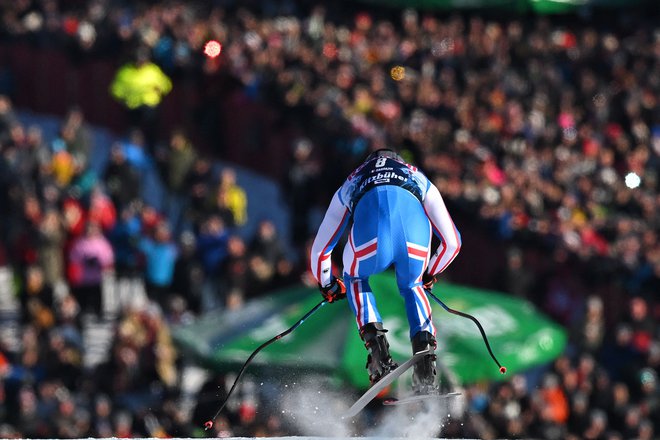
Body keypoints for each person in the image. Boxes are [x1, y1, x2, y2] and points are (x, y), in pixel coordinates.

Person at [310, 148, 461, 393]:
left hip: (371, 240)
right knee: (413, 286)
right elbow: (453, 242)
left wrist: (327, 283)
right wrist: (430, 273)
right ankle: (425, 364)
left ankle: (378, 352)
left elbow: (320, 249)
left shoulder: (353, 180)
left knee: (355, 278)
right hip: (414, 238)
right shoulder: (416, 175)